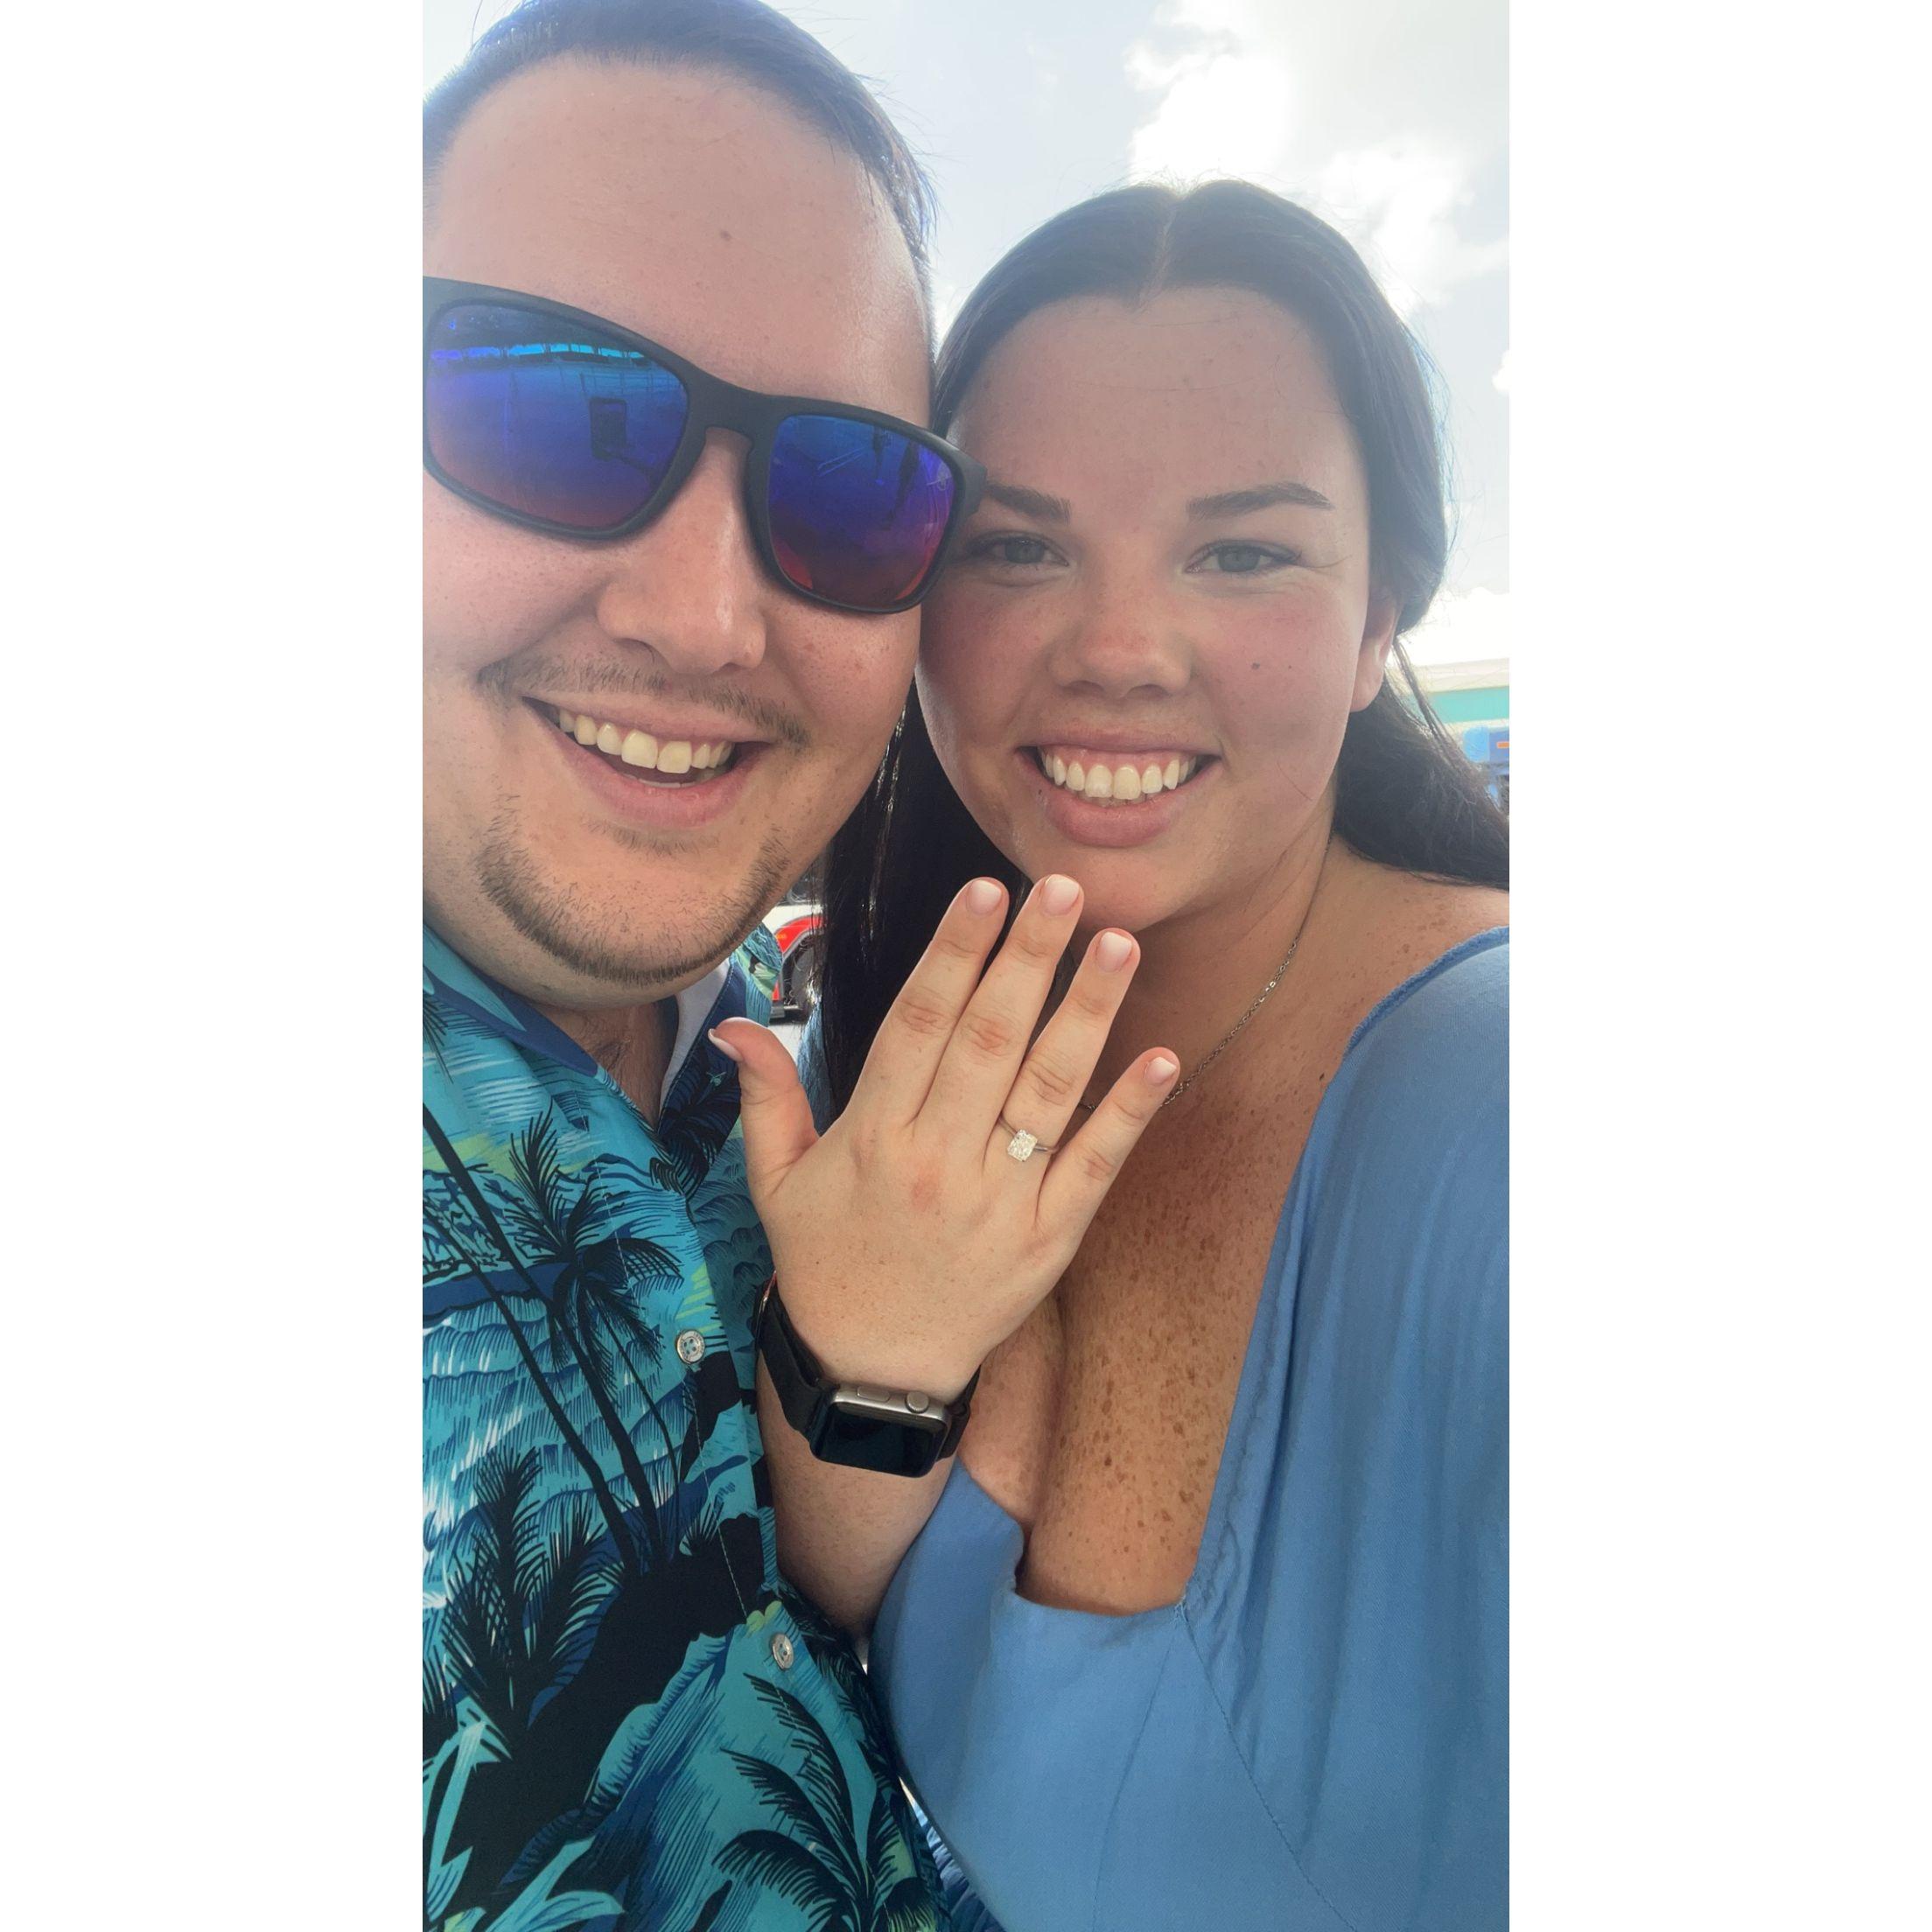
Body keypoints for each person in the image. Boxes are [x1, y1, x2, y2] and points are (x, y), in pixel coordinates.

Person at [721, 180, 1508, 1931]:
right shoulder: (901, 1078)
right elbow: (821, 1611)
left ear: (1380, 616)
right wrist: (864, 1354)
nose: (1119, 652)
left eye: (1242, 552)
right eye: (1017, 548)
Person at [417, 4, 1088, 1925]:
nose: (711, 617)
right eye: (540, 409)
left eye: (851, 494)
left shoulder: (794, 1081)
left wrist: (868, 1376)